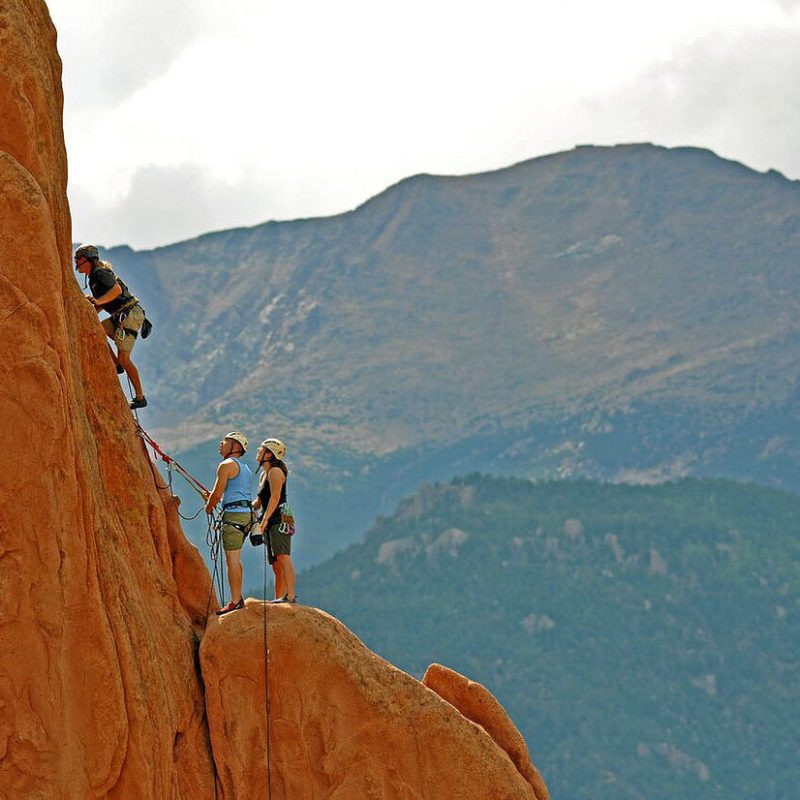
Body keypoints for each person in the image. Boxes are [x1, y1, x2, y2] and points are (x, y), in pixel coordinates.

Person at [74, 244, 149, 410]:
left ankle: (140, 397)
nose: (76, 262)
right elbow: (105, 301)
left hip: (129, 315)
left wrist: (97, 302)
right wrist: (91, 307)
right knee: (97, 331)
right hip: (120, 315)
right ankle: (117, 365)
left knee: (124, 357)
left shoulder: (100, 273)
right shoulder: (94, 278)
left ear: (87, 259)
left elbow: (115, 290)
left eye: (78, 259)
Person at [204, 432, 255, 615]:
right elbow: (232, 491)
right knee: (236, 558)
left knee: (231, 560)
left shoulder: (225, 465)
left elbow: (217, 495)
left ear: (234, 445)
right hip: (247, 516)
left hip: (233, 517)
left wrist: (208, 507)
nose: (221, 443)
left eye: (224, 441)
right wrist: (212, 498)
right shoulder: (245, 468)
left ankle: (234, 601)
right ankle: (237, 597)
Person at [254, 438, 296, 604]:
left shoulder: (275, 472)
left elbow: (275, 497)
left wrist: (264, 520)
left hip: (278, 519)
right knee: (276, 564)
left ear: (269, 454)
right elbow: (258, 503)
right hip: (273, 520)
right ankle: (279, 598)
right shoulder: (265, 474)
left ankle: (290, 596)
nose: (258, 451)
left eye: (261, 449)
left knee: (283, 557)